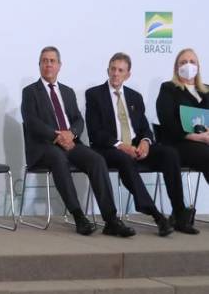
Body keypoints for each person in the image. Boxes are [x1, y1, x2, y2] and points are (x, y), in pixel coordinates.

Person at [21, 46, 135, 237]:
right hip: (45, 147)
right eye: (44, 61)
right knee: (58, 158)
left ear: (59, 66)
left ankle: (111, 220)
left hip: (71, 143)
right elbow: (32, 122)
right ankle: (79, 217)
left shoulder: (67, 91)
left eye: (52, 61)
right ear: (39, 65)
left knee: (97, 160)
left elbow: (78, 120)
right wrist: (58, 136)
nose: (48, 64)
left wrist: (72, 133)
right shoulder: (30, 91)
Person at [85, 52, 197, 236]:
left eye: (120, 70)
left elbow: (145, 128)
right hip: (109, 149)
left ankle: (179, 212)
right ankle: (157, 216)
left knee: (169, 153)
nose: (115, 74)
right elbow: (95, 132)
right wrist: (122, 146)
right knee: (124, 159)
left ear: (127, 75)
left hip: (136, 146)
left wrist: (145, 143)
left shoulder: (134, 96)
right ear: (108, 70)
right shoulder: (94, 95)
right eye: (113, 69)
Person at [156, 47, 209, 191]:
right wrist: (198, 137)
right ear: (176, 67)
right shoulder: (168, 88)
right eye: (183, 62)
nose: (188, 65)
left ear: (198, 67)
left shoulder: (207, 90)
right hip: (179, 142)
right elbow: (167, 121)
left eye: (192, 62)